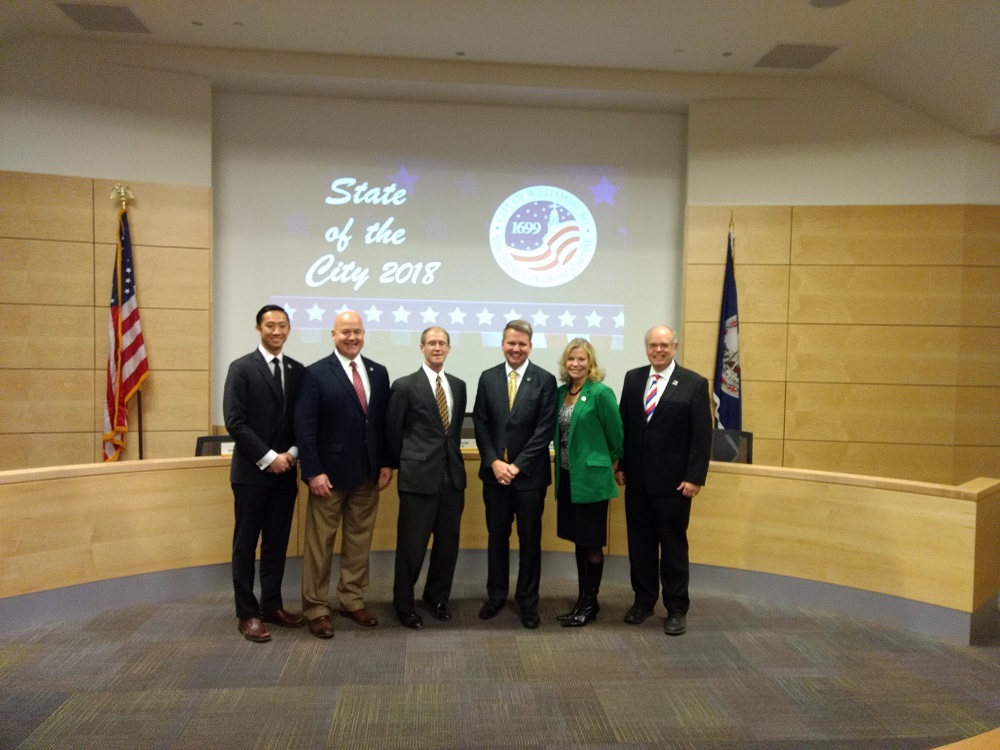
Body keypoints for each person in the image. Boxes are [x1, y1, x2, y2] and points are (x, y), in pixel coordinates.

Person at [294, 310, 392, 638]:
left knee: (359, 541)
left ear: (364, 335)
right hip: (328, 478)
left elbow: (381, 424)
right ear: (333, 335)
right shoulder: (315, 373)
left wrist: (386, 463)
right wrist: (313, 471)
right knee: (320, 545)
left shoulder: (378, 372)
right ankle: (316, 607)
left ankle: (352, 598)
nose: (352, 337)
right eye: (345, 332)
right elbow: (305, 427)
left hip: (367, 474)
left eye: (357, 332)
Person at [616, 325, 712, 636]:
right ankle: (643, 601)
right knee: (640, 546)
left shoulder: (694, 383)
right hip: (637, 482)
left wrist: (695, 477)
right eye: (653, 345)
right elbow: (625, 426)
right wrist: (621, 465)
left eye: (664, 345)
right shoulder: (633, 378)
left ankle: (676, 608)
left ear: (675, 347)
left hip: (674, 485)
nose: (658, 350)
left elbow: (702, 436)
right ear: (646, 348)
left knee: (673, 548)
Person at [223, 304, 305, 643]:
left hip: (286, 474)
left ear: (289, 330)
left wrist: (292, 454)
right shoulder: (241, 368)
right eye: (270, 325)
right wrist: (269, 457)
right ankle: (247, 613)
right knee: (245, 546)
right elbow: (235, 421)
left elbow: (302, 420)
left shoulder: (297, 370)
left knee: (276, 545)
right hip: (251, 475)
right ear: (258, 328)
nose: (277, 331)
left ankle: (272, 604)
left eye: (282, 325)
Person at [472, 319, 557, 629]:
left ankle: (528, 601)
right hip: (494, 475)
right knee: (497, 537)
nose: (516, 348)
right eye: (511, 343)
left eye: (522, 344)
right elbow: (480, 423)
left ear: (530, 346)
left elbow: (544, 429)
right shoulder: (488, 377)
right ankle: (496, 595)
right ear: (502, 344)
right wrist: (494, 462)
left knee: (530, 540)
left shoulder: (545, 380)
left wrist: (517, 466)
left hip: (529, 477)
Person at [385, 326, 467, 630]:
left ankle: (437, 597)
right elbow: (393, 432)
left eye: (442, 343)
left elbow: (452, 433)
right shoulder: (405, 385)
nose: (437, 347)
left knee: (447, 546)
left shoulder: (458, 385)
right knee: (412, 547)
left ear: (449, 348)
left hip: (452, 478)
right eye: (431, 343)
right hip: (418, 479)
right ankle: (404, 605)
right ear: (422, 348)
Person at [552, 338, 623, 627]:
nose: (575, 364)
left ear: (590, 362)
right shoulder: (561, 393)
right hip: (568, 478)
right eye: (571, 359)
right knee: (579, 543)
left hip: (592, 479)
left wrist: (614, 462)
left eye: (581, 359)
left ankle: (590, 603)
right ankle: (582, 601)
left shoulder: (601, 393)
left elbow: (616, 434)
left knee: (592, 544)